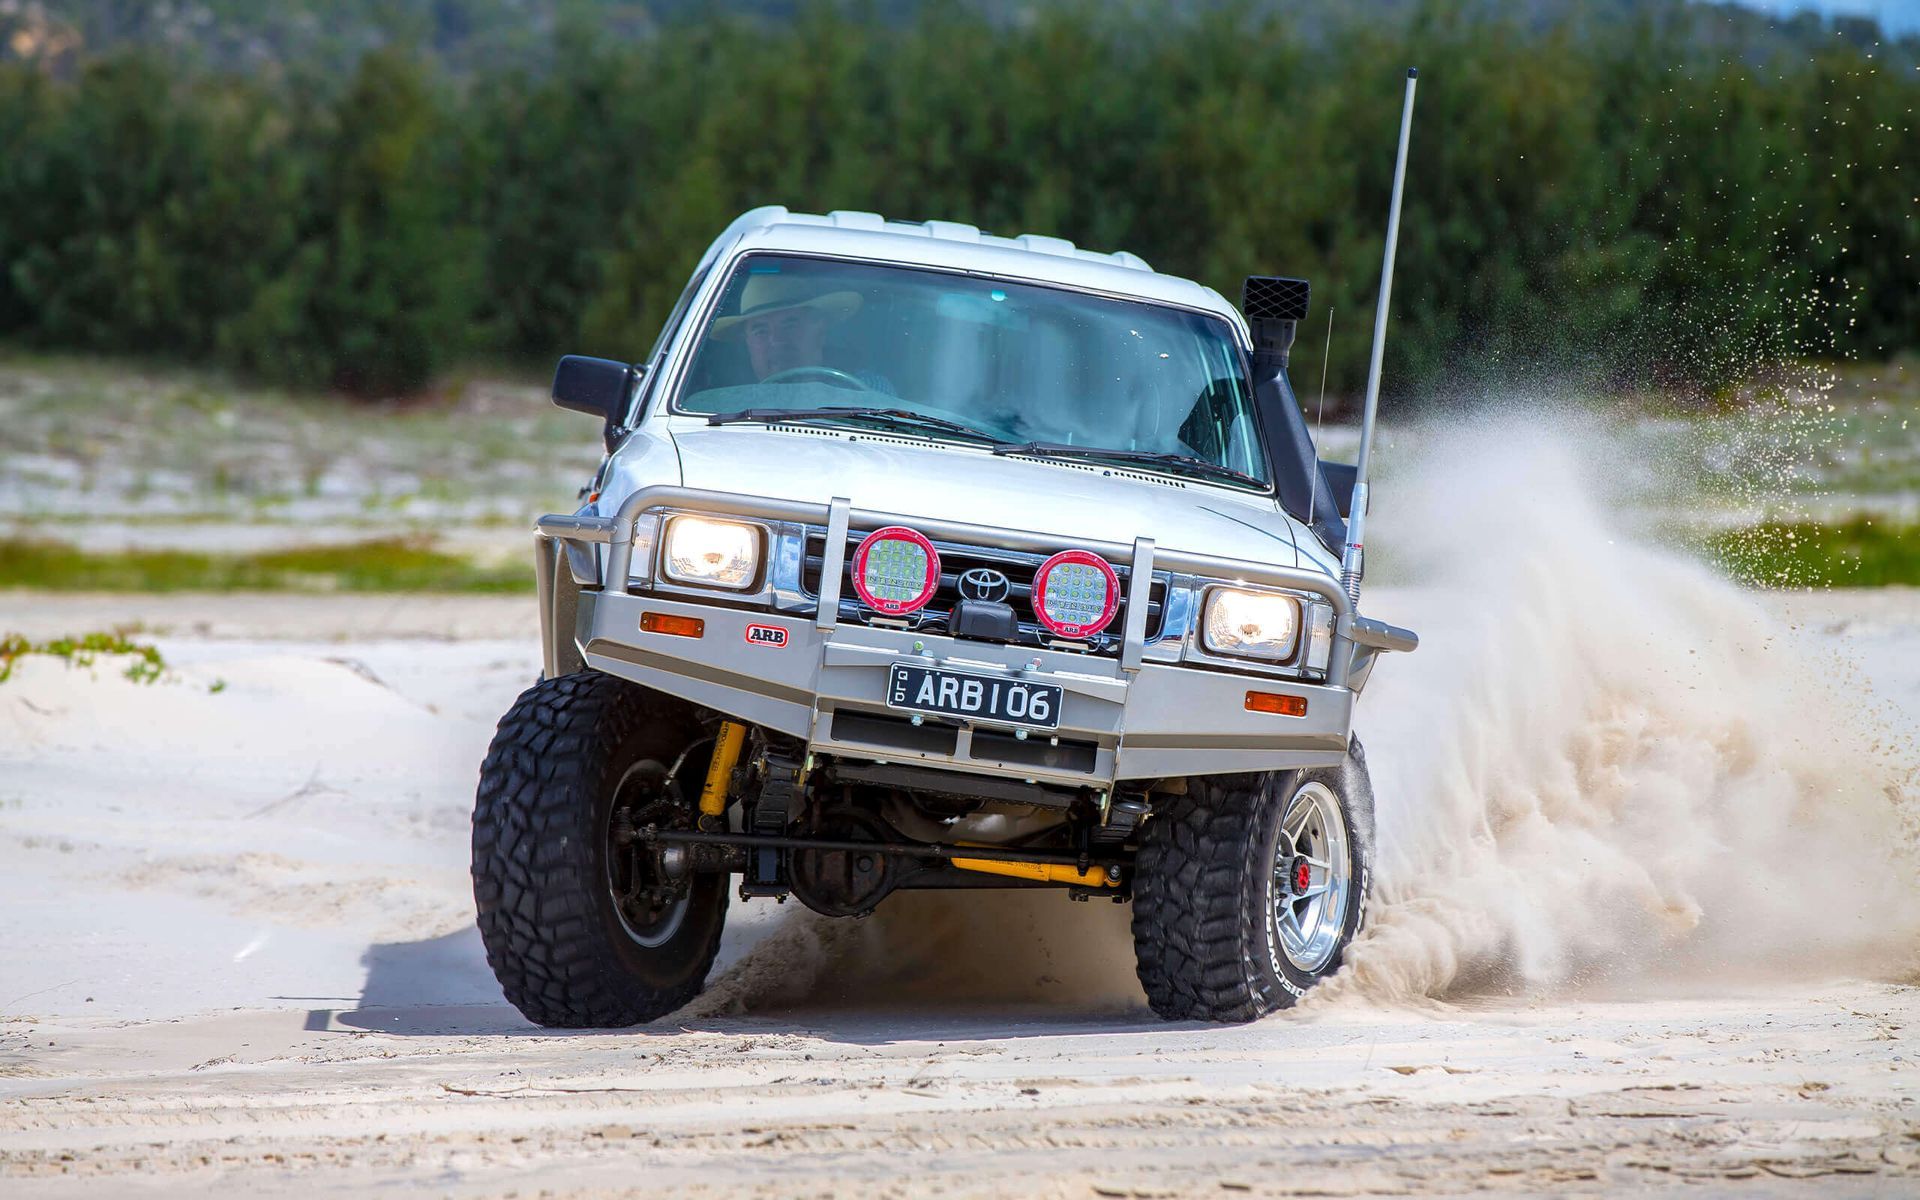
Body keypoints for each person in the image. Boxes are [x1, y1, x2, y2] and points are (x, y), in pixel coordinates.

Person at [708, 273, 864, 381]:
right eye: (761, 331)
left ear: (820, 330)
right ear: (747, 343)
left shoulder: (871, 397)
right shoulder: (726, 407)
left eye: (790, 325)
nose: (776, 340)